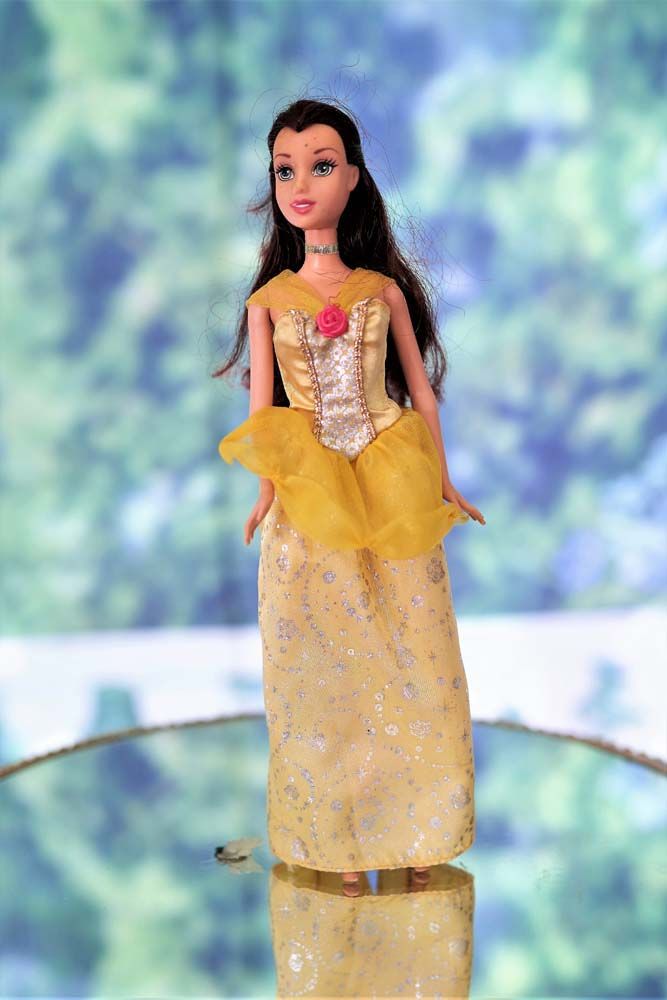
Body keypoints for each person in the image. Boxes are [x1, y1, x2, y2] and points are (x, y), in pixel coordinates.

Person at [214, 97, 485, 894]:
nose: (301, 184)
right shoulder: (269, 302)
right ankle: (333, 839)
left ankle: (417, 831)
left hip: (390, 478)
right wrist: (265, 492)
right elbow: (262, 411)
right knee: (319, 667)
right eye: (285, 170)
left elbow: (421, 393)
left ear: (353, 178)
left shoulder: (380, 291)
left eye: (320, 165)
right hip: (309, 494)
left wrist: (443, 479)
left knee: (411, 655)